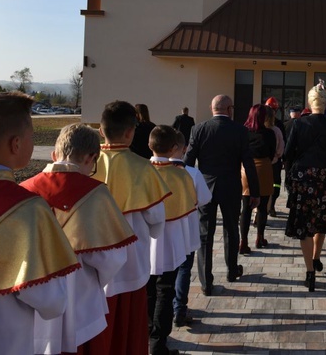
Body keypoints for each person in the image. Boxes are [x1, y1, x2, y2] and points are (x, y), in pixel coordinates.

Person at [0, 92, 78, 355]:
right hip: (0, 339)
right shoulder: (29, 208)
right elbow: (50, 301)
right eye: (32, 136)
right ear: (16, 144)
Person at [22, 123, 136, 354]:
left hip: (30, 297)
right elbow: (112, 258)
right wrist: (95, 281)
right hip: (79, 294)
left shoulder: (23, 190)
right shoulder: (96, 193)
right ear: (91, 158)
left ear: (55, 154)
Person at [87, 100, 170, 354]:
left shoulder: (86, 163)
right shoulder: (143, 168)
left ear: (101, 130)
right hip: (130, 262)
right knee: (129, 334)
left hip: (90, 264)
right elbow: (157, 220)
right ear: (130, 132)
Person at [184, 94, 260, 295]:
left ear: (212, 109)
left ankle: (205, 281)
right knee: (231, 229)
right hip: (230, 186)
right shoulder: (240, 131)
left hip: (205, 186)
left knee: (204, 234)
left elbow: (188, 161)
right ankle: (231, 270)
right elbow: (248, 163)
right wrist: (254, 191)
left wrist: (186, 189)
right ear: (230, 109)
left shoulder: (198, 129)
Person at [283, 84, 326, 291]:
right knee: (321, 218)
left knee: (304, 224)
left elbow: (287, 153)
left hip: (303, 177)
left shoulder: (299, 124)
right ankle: (317, 257)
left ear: (310, 103)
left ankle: (310, 271)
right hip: (324, 177)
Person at [148, 125, 198, 355]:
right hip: (169, 243)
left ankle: (146, 336)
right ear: (174, 148)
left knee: (148, 292)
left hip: (143, 243)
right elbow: (194, 203)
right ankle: (158, 344)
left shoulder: (141, 171)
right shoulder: (182, 175)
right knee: (165, 292)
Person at [170, 131, 211, 328]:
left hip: (160, 229)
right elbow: (204, 199)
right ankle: (179, 308)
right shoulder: (191, 172)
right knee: (184, 267)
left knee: (163, 270)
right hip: (185, 226)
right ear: (183, 148)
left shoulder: (148, 170)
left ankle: (165, 306)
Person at [240, 104, 277, 253]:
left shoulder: (243, 132)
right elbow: (272, 153)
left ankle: (243, 241)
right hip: (265, 167)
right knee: (262, 207)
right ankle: (260, 237)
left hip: (246, 169)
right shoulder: (269, 134)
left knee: (246, 208)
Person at [264, 98, 286, 218]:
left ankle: (266, 207)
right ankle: (270, 206)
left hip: (262, 162)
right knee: (275, 184)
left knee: (270, 185)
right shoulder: (278, 126)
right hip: (275, 162)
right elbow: (283, 144)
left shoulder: (257, 123)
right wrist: (280, 157)